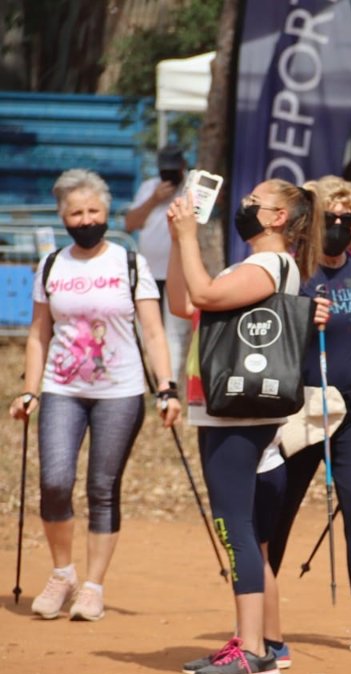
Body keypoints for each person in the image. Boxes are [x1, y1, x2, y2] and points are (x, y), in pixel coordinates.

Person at [165, 178, 330, 674]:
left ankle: (252, 650)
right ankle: (265, 643)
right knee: (250, 535)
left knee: (233, 525)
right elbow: (183, 303)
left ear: (279, 217)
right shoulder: (252, 265)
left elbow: (204, 293)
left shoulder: (269, 265)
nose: (244, 206)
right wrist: (177, 240)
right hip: (228, 409)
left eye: (254, 202)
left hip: (239, 412)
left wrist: (190, 236)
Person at [10, 168, 181, 622]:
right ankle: (62, 573)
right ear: (63, 217)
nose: (86, 220)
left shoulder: (129, 264)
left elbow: (153, 332)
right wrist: (29, 391)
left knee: (102, 488)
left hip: (120, 392)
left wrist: (166, 388)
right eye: (76, 213)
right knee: (55, 482)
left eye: (93, 211)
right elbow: (38, 334)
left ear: (107, 212)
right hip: (62, 388)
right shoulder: (52, 266)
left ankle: (93, 587)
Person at [254, 175, 351, 655]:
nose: (338, 226)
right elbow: (265, 331)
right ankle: (258, 616)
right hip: (301, 409)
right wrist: (302, 317)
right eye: (328, 217)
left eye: (347, 218)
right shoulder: (291, 268)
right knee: (276, 511)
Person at [125, 145, 193, 382]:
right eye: (165, 171)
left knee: (175, 334)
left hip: (179, 273)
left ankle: (170, 385)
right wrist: (154, 199)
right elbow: (130, 223)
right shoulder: (149, 187)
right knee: (148, 331)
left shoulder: (192, 187)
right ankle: (153, 381)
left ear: (183, 167)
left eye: (174, 171)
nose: (169, 177)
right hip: (149, 272)